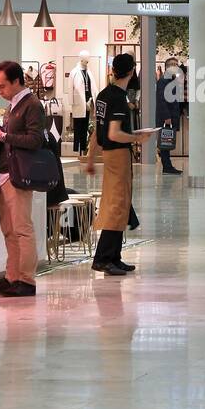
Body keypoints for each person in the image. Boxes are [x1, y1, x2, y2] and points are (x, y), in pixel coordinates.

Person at [0, 61, 44, 297]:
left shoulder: (32, 105)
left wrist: (2, 136)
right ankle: (12, 276)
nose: (0, 91)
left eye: (2, 86)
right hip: (5, 174)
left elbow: (35, 140)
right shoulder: (12, 105)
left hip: (19, 175)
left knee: (22, 228)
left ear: (16, 81)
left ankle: (27, 280)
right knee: (9, 230)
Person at [85, 53, 154, 276]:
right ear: (132, 71)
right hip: (118, 155)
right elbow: (114, 134)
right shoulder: (119, 99)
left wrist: (90, 158)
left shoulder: (104, 95)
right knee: (116, 205)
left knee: (118, 205)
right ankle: (104, 258)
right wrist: (137, 138)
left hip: (108, 155)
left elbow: (98, 130)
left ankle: (114, 256)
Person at [155, 56, 183, 176]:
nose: (176, 67)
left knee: (167, 141)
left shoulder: (172, 80)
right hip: (166, 118)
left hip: (171, 115)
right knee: (165, 142)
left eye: (176, 64)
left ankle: (168, 166)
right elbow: (161, 100)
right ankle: (167, 166)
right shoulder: (163, 81)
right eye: (173, 64)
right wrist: (167, 116)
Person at [69, 54, 97, 156]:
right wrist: (71, 102)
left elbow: (93, 86)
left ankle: (83, 150)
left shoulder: (89, 72)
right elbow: (70, 88)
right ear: (81, 60)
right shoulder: (74, 72)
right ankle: (77, 150)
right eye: (86, 61)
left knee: (85, 126)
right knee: (78, 126)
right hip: (78, 103)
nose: (87, 63)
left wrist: (93, 99)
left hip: (88, 101)